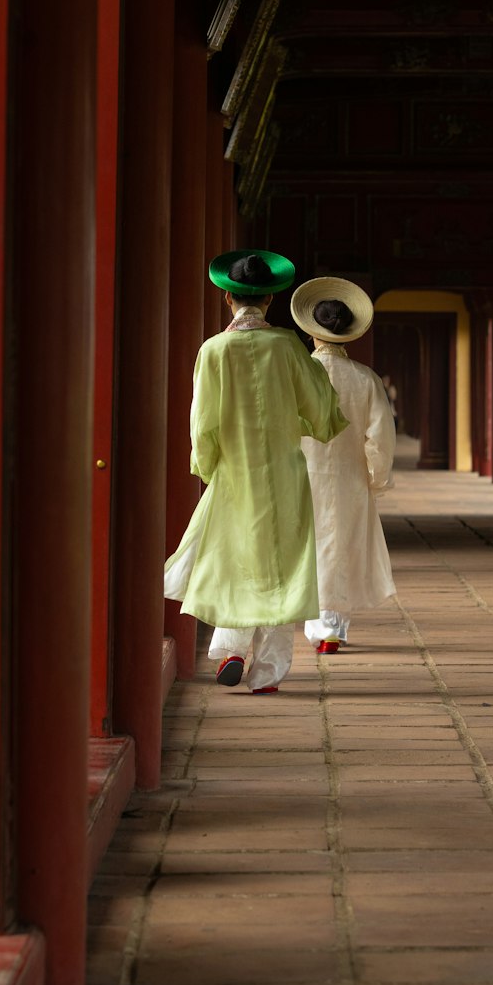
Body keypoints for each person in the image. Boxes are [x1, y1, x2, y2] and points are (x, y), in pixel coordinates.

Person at [164, 249, 347, 693]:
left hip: (233, 472)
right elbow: (319, 407)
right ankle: (266, 673)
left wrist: (205, 466)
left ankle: (231, 648)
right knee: (284, 565)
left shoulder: (213, 350)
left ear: (228, 299)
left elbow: (202, 421)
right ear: (270, 299)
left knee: (232, 557)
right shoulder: (286, 346)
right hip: (284, 472)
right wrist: (311, 420)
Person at [290, 276, 396, 655]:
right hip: (349, 475)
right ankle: (331, 626)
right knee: (340, 545)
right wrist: (376, 477)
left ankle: (320, 624)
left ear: (311, 332)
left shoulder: (297, 375)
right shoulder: (365, 379)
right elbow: (380, 437)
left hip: (300, 472)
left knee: (309, 545)